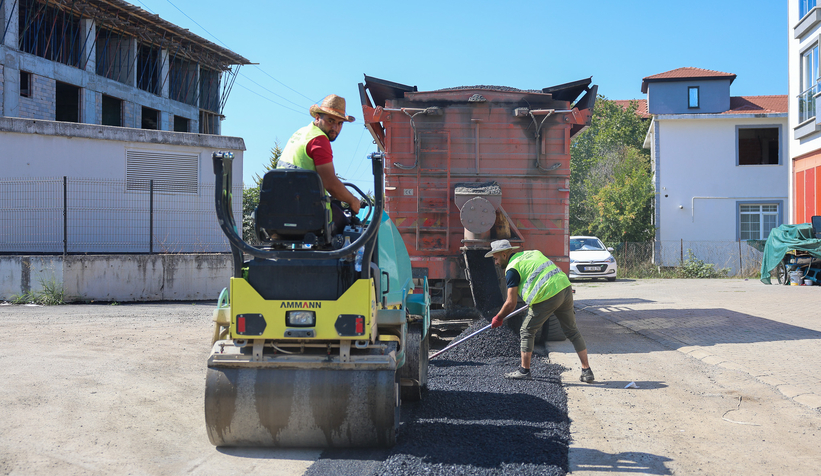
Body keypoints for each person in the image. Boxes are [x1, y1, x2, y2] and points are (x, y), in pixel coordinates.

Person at [485, 239, 594, 382]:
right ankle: (587, 371)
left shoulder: (512, 269)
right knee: (572, 331)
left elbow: (510, 303)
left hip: (547, 295)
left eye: (496, 258)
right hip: (565, 288)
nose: (496, 263)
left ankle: (524, 371)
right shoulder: (532, 254)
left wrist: (498, 317)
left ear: (504, 255)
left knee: (527, 330)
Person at [278, 94, 361, 231]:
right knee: (352, 230)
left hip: (282, 208)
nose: (335, 127)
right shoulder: (319, 140)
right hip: (307, 212)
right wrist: (353, 201)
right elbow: (330, 184)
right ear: (318, 117)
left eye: (340, 123)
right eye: (331, 121)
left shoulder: (301, 133)